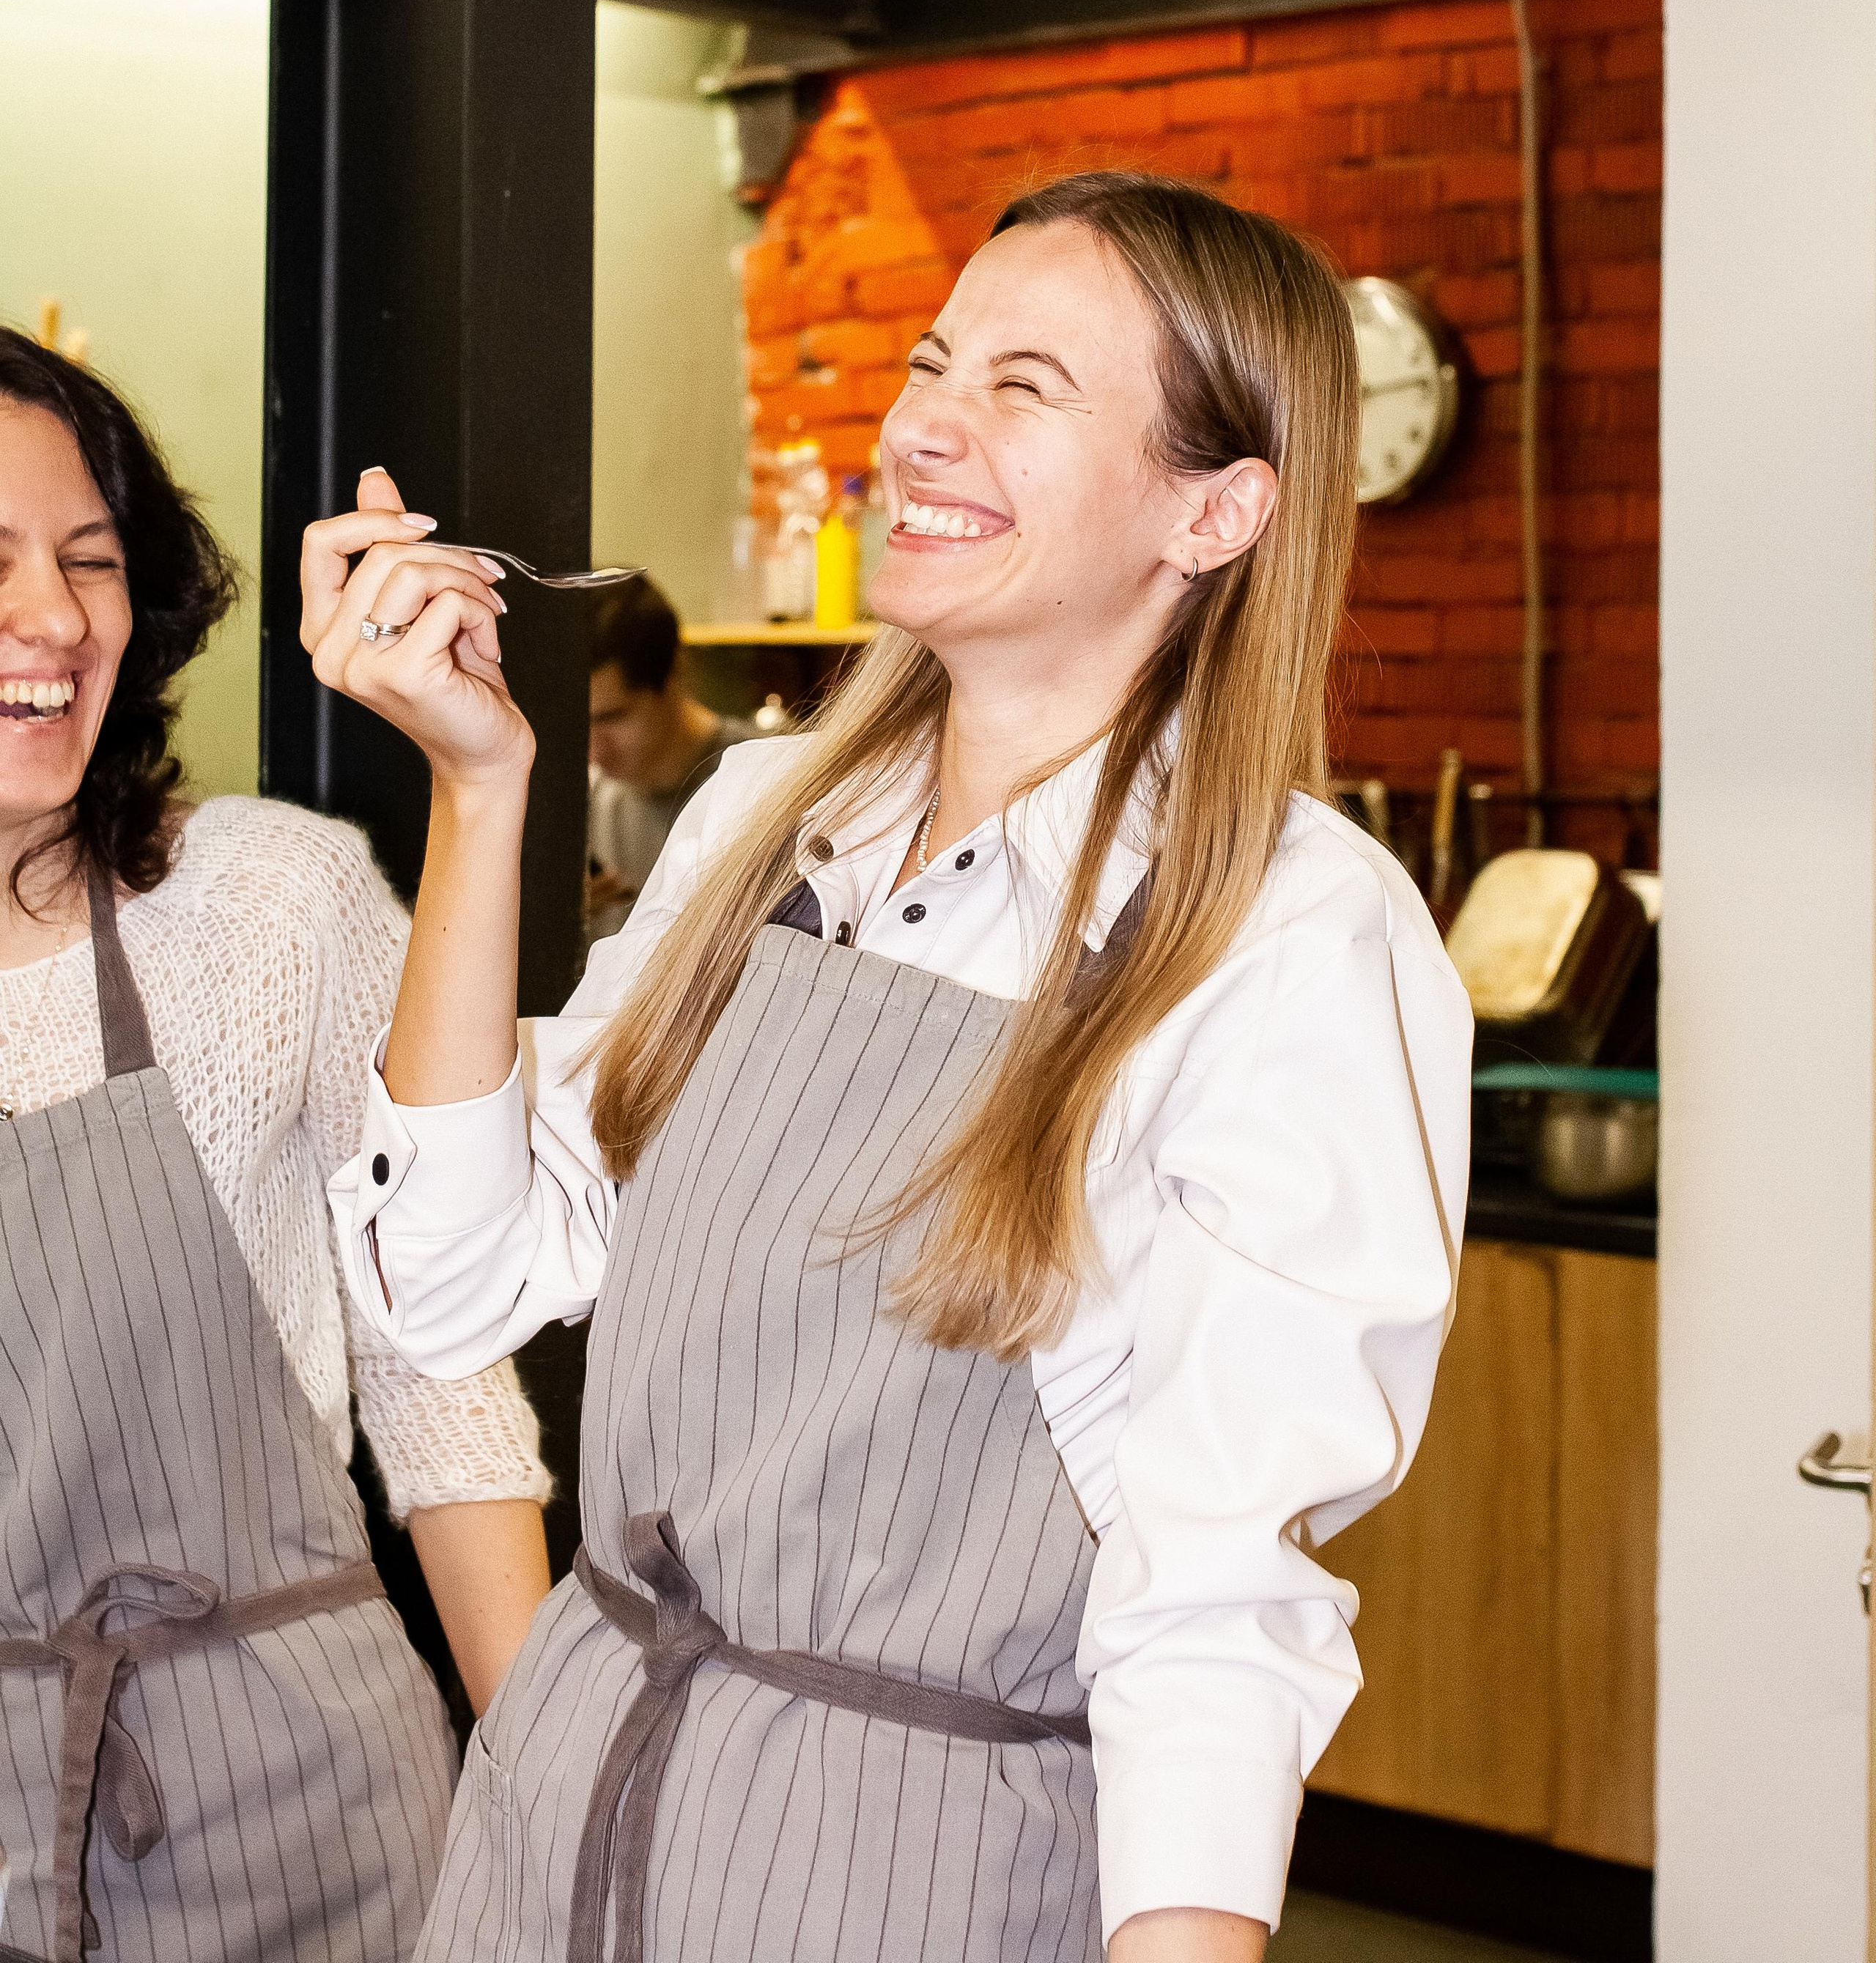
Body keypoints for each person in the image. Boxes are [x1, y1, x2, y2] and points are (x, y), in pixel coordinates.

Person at [315, 170, 1472, 1963]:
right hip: (559, 1822)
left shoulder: (1288, 935)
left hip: (917, 1875)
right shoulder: (764, 821)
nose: (922, 422)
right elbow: (450, 1275)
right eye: (933, 362)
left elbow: (1212, 1601)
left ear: (1215, 508)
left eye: (1026, 383)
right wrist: (478, 785)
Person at [0, 328, 553, 1963]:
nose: (53, 619)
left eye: (89, 561)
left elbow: (438, 1374)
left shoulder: (268, 903)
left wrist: (549, 1793)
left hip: (315, 1817)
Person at [586, 578, 756, 939]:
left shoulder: (764, 783)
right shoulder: (591, 802)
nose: (594, 751)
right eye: (578, 725)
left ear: (675, 672)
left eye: (612, 717)